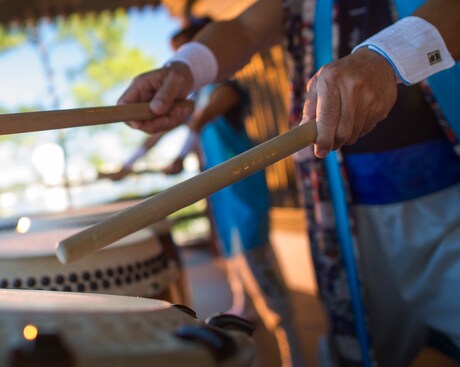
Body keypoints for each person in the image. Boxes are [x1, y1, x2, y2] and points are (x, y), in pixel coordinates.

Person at [117, 1, 460, 366]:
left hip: (447, 201)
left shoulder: (224, 96)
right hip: (348, 215)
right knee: (357, 350)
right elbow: (245, 29)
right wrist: (183, 69)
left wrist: (383, 57)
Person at [106, 19, 306, 367]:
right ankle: (250, 336)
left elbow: (198, 122)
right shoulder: (195, 98)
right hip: (223, 196)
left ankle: (296, 353)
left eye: (187, 51)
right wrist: (127, 164)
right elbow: (160, 132)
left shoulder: (225, 89)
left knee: (259, 266)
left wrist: (180, 157)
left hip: (244, 192)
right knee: (238, 268)